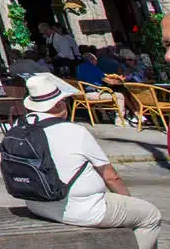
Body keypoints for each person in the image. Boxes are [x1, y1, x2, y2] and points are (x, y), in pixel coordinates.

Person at [16, 73, 160, 249]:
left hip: (36, 204)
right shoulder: (74, 131)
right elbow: (111, 177)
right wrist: (128, 202)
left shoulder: (19, 126)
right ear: (59, 104)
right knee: (150, 215)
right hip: (83, 209)